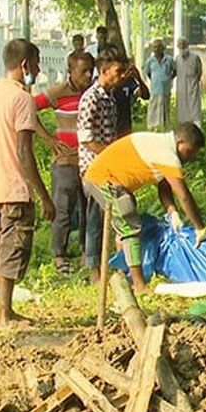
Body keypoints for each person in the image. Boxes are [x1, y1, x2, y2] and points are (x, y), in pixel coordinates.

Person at [0, 39, 56, 327]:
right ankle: (4, 314)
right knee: (13, 249)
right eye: (37, 62)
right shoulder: (22, 99)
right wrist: (44, 196)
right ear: (25, 64)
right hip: (15, 189)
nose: (39, 68)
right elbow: (23, 152)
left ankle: (5, 310)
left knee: (1, 246)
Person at [84, 123, 206, 293]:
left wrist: (172, 211)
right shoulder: (167, 154)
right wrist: (200, 228)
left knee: (126, 221)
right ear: (180, 142)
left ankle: (123, 273)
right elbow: (184, 195)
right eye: (189, 151)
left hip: (106, 178)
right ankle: (138, 284)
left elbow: (164, 187)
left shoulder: (162, 145)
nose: (190, 157)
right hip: (104, 179)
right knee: (130, 225)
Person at [33, 51, 95, 273]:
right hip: (65, 161)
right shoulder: (58, 92)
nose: (88, 75)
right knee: (63, 210)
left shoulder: (94, 92)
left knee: (90, 209)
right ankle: (59, 254)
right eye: (83, 71)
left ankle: (89, 254)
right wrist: (48, 139)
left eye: (91, 70)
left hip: (90, 162)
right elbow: (29, 108)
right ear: (71, 71)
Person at [77, 46, 130, 283]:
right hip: (93, 168)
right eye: (118, 72)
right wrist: (111, 155)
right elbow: (87, 139)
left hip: (109, 167)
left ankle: (112, 266)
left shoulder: (110, 98)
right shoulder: (91, 98)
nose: (121, 76)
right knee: (105, 215)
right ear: (104, 71)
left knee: (103, 216)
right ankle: (95, 271)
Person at [144, 39, 176, 130]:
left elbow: (175, 70)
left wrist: (168, 79)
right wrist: (155, 79)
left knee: (165, 107)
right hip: (155, 88)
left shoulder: (169, 59)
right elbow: (148, 73)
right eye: (154, 47)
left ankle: (165, 125)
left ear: (163, 48)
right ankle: (152, 125)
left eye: (158, 47)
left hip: (165, 88)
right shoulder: (150, 61)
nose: (156, 49)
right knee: (153, 106)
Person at [113, 63, 151, 137]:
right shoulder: (109, 81)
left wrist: (139, 79)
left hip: (125, 126)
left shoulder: (128, 81)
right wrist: (120, 82)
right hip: (110, 127)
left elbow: (145, 95)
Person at [175, 38, 203, 128]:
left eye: (184, 45)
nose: (182, 47)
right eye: (180, 45)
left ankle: (197, 129)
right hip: (181, 88)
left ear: (187, 45)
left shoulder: (195, 57)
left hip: (192, 86)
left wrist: (194, 81)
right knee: (182, 110)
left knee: (194, 109)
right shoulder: (177, 59)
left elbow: (199, 71)